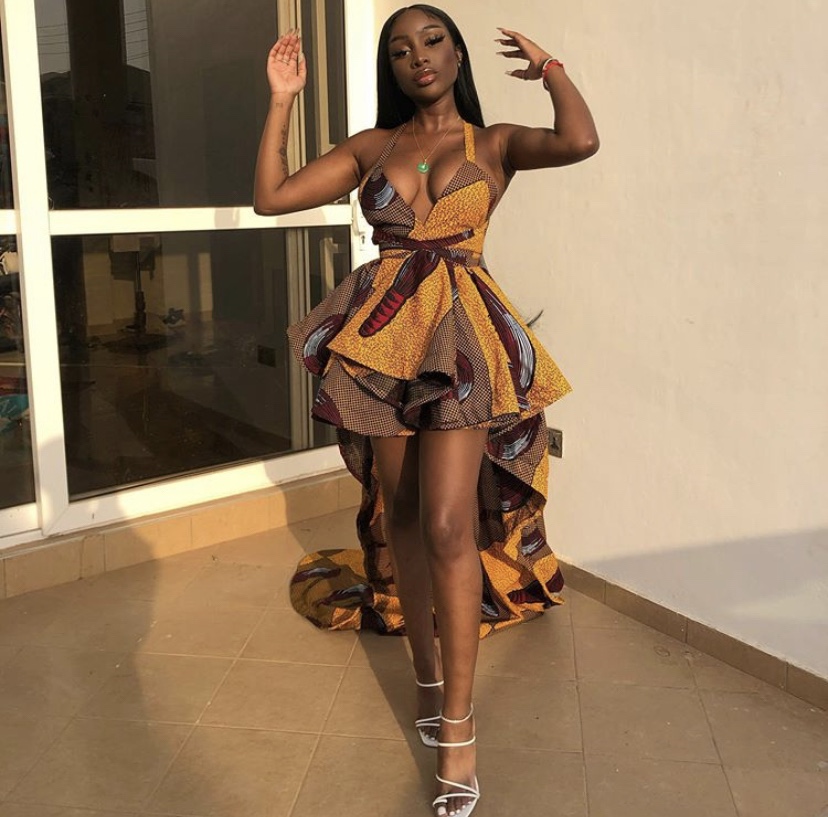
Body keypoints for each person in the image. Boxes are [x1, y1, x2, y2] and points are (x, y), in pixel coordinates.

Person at [254, 6, 598, 815]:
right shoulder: (373, 147)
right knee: (404, 517)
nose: (420, 58)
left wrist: (551, 68)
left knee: (448, 524)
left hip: (462, 341)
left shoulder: (496, 142)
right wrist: (282, 100)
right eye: (402, 49)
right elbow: (271, 197)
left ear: (457, 54)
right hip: (382, 341)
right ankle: (426, 677)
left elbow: (580, 140)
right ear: (393, 67)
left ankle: (459, 728)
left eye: (434, 41)